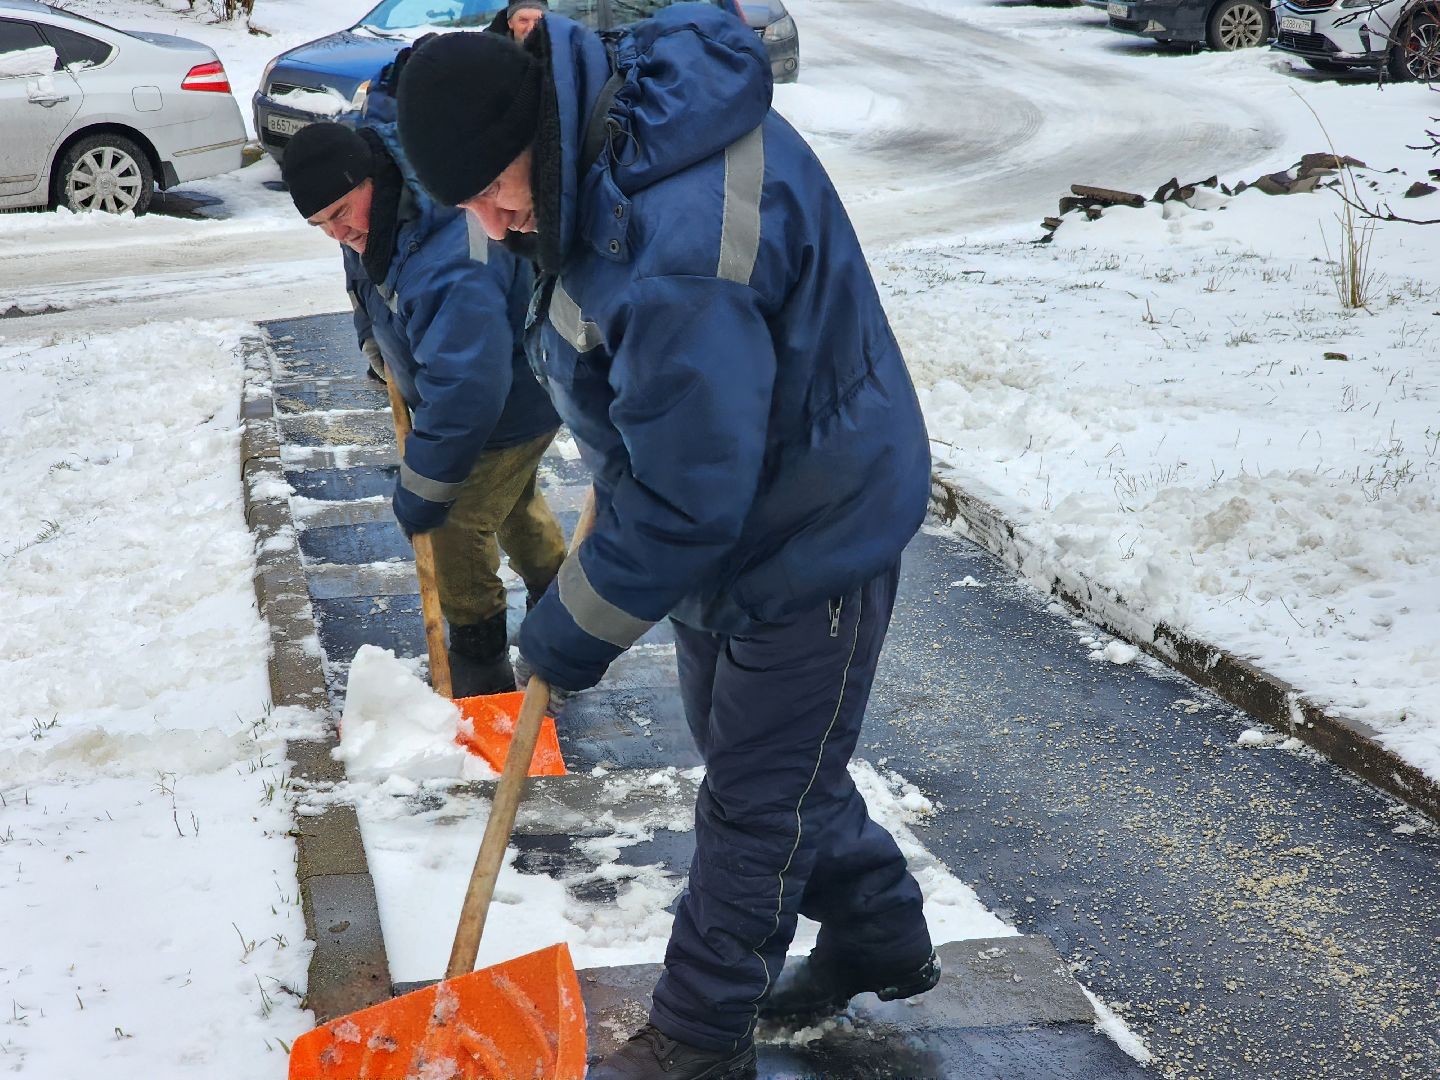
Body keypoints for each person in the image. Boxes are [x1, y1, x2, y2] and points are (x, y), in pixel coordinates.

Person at [396, 8, 939, 1079]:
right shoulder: (593, 149)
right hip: (739, 510)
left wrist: (567, 629)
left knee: (755, 796)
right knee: (769, 762)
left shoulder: (677, 236)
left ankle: (698, 1036)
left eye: (490, 188)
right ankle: (878, 930)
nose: (492, 222)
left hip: (813, 524)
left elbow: (693, 489)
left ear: (531, 133)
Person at [280, 120, 567, 698]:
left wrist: (425, 489)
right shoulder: (379, 216)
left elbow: (469, 390)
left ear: (369, 178)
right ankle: (562, 607)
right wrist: (372, 340)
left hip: (510, 403)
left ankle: (480, 675)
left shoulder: (448, 257)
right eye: (321, 225)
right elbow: (363, 281)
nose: (339, 233)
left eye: (341, 211)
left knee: (457, 521)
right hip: (483, 395)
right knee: (511, 504)